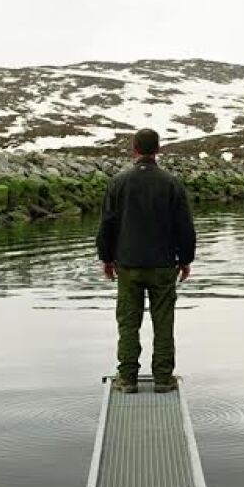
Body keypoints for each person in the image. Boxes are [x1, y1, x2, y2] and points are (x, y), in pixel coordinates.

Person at [96, 128, 196, 394]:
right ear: (158, 150)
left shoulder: (118, 182)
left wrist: (106, 258)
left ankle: (127, 378)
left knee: (128, 322)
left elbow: (107, 224)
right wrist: (185, 259)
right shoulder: (171, 183)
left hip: (128, 264)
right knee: (163, 322)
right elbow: (185, 227)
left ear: (134, 149)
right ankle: (163, 378)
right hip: (163, 265)